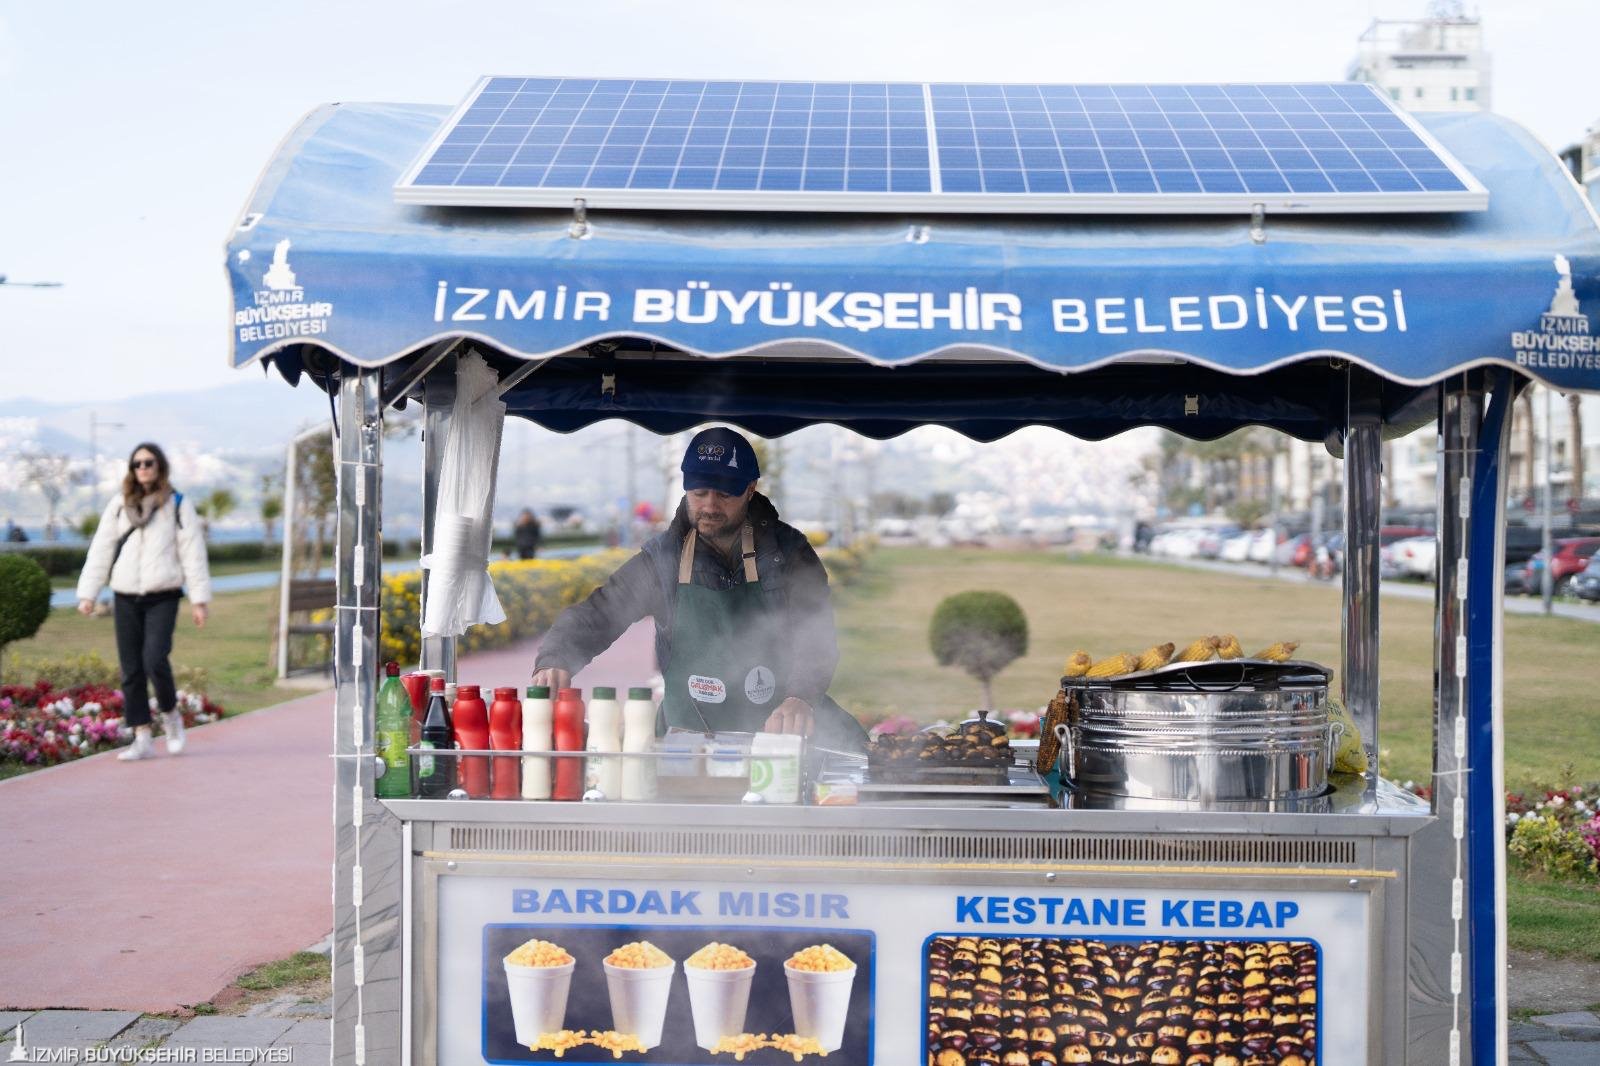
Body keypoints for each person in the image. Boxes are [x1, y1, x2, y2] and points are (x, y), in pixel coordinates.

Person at [531, 427, 867, 751]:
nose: (709, 506)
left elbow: (816, 635)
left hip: (781, 738)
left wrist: (802, 696)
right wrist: (556, 658)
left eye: (724, 494)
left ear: (750, 489)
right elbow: (600, 611)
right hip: (688, 742)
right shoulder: (664, 558)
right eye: (699, 493)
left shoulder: (789, 554)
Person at [75, 443, 212, 761]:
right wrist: (88, 593)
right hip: (125, 596)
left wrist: (199, 600)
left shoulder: (177, 503)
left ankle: (171, 718)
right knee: (131, 668)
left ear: (160, 466)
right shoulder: (119, 505)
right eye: (137, 464)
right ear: (131, 469)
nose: (143, 468)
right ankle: (141, 736)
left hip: (163, 595)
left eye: (149, 462)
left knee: (154, 659)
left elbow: (193, 553)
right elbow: (102, 549)